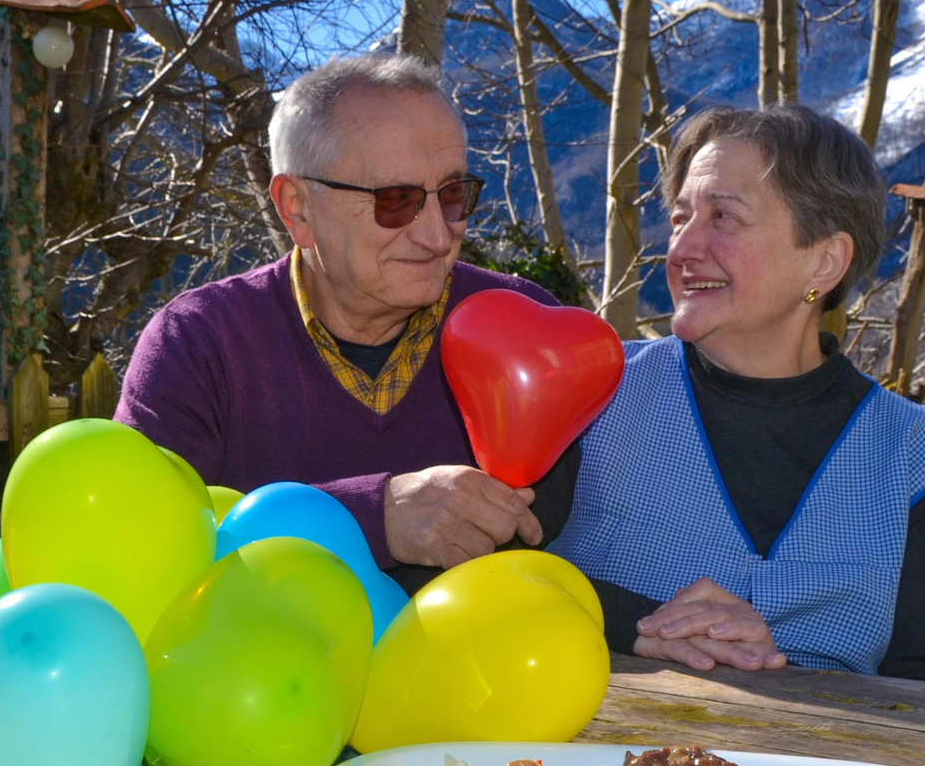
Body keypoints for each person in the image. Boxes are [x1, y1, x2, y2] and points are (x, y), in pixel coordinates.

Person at [552, 106, 925, 685]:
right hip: (585, 763)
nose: (681, 250)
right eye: (681, 219)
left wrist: (784, 669)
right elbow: (492, 572)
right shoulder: (591, 391)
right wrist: (645, 626)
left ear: (825, 261)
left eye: (724, 218)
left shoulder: (910, 455)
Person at [115, 54, 579, 582]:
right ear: (298, 209)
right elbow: (136, 544)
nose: (437, 235)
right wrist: (373, 518)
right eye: (396, 201)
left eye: (452, 195)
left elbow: (586, 546)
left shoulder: (528, 327)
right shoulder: (198, 344)